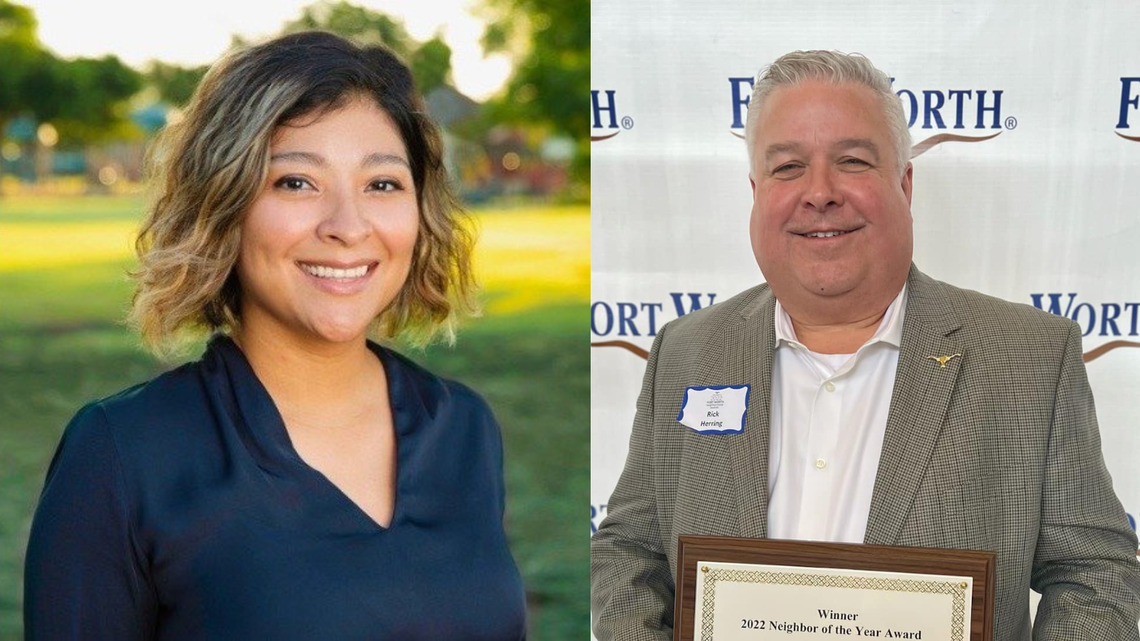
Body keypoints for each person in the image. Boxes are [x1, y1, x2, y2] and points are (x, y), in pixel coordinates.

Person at [590, 50, 1140, 640]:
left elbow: (1095, 576)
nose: (819, 193)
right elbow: (628, 550)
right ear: (756, 191)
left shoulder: (1029, 357)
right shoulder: (685, 350)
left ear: (903, 183)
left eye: (851, 161)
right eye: (787, 168)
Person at [24, 31, 526, 639]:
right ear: (224, 204)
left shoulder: (465, 428)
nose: (348, 226)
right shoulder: (122, 456)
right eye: (296, 182)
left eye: (382, 184)